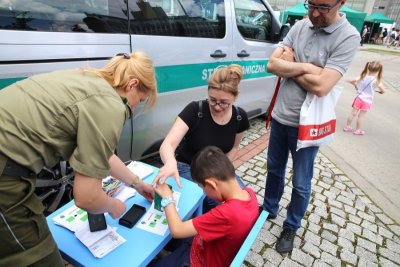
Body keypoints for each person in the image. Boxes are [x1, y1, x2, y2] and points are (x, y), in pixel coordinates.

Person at [0, 52, 157, 266]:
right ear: (132, 84)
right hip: (5, 174)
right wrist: (113, 206)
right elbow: (86, 198)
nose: (135, 107)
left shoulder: (87, 79)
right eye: (140, 100)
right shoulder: (111, 105)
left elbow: (101, 152)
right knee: (37, 254)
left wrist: (137, 184)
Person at [260, 0, 361, 254]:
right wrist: (308, 67)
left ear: (341, 3)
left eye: (323, 7)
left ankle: (291, 225)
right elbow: (272, 65)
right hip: (282, 116)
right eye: (311, 4)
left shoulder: (348, 36)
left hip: (308, 125)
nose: (314, 13)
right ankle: (268, 209)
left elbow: (322, 86)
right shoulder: (300, 25)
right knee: (274, 168)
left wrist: (291, 65)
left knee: (301, 181)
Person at [153, 64, 250, 213]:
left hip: (216, 171)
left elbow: (234, 148)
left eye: (224, 102)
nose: (217, 107)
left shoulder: (239, 117)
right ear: (207, 92)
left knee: (244, 201)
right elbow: (168, 144)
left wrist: (223, 172)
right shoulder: (195, 110)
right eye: (212, 100)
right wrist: (170, 162)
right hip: (187, 167)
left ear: (235, 97)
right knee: (221, 207)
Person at [149, 146, 259, 267]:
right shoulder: (249, 193)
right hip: (210, 250)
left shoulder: (226, 214)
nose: (204, 192)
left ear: (211, 184)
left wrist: (167, 198)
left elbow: (177, 230)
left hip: (198, 261)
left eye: (202, 188)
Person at [343, 61, 384, 135]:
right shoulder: (376, 81)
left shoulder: (362, 76)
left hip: (359, 98)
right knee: (361, 116)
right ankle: (357, 130)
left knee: (353, 113)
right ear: (378, 70)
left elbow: (351, 81)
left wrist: (355, 85)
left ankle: (347, 126)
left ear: (368, 68)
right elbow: (383, 90)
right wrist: (380, 91)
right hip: (367, 101)